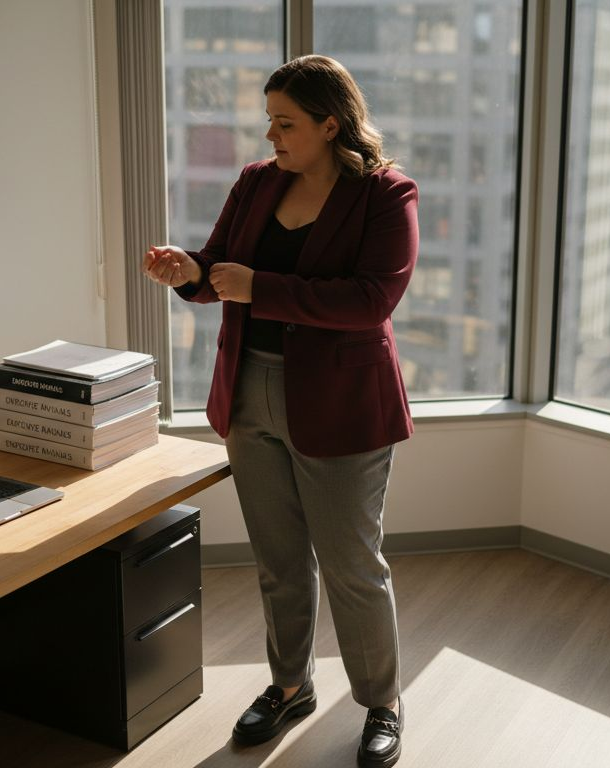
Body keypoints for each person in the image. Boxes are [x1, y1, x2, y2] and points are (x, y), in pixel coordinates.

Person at [142, 54, 417, 768]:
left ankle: (382, 702)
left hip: (342, 403)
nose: (271, 135)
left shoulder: (386, 196)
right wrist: (190, 272)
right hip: (250, 393)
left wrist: (259, 287)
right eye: (269, 120)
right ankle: (290, 685)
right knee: (279, 561)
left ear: (331, 124)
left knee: (353, 563)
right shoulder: (257, 184)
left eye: (286, 122)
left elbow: (371, 303)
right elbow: (219, 269)